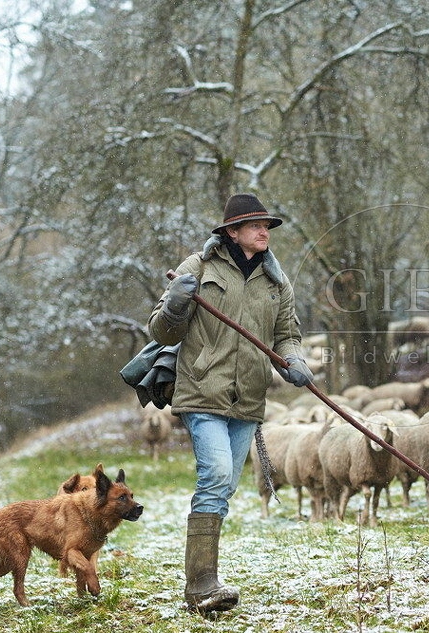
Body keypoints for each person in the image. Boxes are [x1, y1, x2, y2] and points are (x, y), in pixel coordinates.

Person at [147, 193, 313, 613]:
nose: (264, 231)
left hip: (249, 397)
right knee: (217, 474)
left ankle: (203, 586)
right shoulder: (197, 267)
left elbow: (286, 335)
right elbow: (161, 332)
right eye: (256, 225)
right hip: (202, 391)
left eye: (267, 226)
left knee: (224, 487)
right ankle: (202, 583)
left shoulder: (278, 281)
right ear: (232, 232)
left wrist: (293, 359)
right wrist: (176, 303)